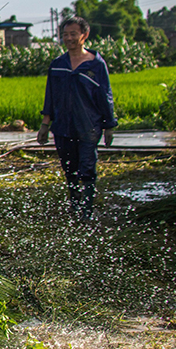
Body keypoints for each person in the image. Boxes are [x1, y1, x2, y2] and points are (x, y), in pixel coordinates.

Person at [37, 16, 117, 221]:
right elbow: (50, 96)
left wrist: (109, 126)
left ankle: (87, 211)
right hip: (63, 126)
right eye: (65, 35)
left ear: (84, 35)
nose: (69, 38)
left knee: (87, 167)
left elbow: (105, 95)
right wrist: (45, 125)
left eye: (73, 34)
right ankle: (75, 205)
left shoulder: (96, 65)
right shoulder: (57, 65)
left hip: (89, 125)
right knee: (69, 168)